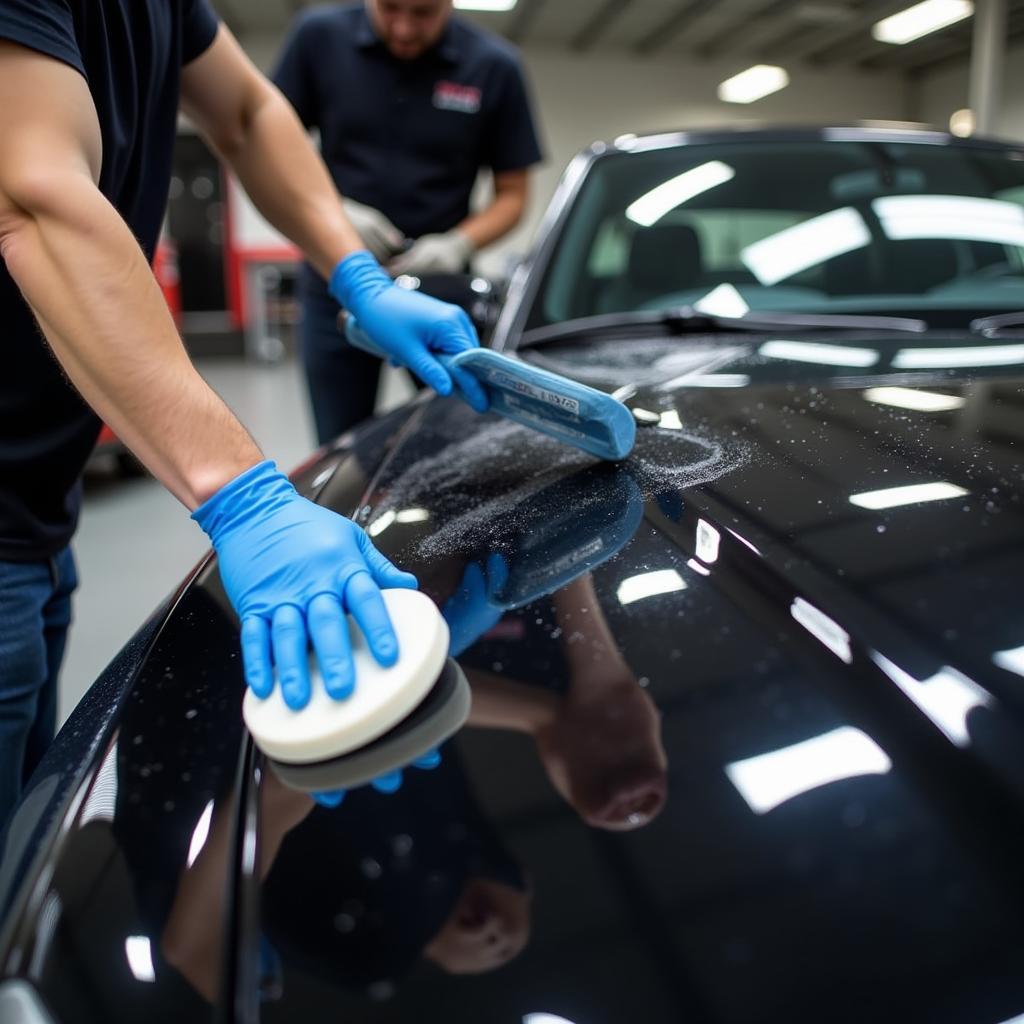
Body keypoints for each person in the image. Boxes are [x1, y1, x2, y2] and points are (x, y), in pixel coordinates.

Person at [0, 0, 491, 829]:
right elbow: (35, 202)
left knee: (27, 825)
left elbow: (250, 110)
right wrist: (247, 499)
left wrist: (357, 273)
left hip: (39, 505)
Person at [273, 0, 543, 444]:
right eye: (390, 8)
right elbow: (272, 147)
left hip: (440, 291)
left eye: (423, 13)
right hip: (337, 284)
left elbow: (513, 196)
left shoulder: (494, 66)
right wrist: (334, 211)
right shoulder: (318, 38)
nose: (403, 28)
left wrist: (458, 244)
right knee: (341, 443)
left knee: (457, 438)